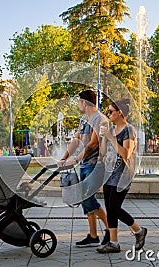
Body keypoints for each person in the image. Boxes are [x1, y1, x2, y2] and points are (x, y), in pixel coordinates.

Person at [57, 90, 109, 247]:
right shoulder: (83, 120)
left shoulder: (100, 119)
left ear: (85, 103)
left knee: (87, 198)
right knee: (87, 198)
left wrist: (77, 158)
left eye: (79, 101)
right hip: (85, 164)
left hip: (96, 164)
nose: (78, 104)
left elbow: (94, 143)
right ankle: (93, 235)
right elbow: (76, 140)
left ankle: (109, 230)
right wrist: (64, 157)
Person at [96, 98, 147, 253]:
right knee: (110, 209)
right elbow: (103, 152)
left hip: (123, 175)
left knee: (114, 208)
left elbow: (126, 153)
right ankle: (114, 242)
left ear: (119, 113)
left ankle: (139, 231)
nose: (108, 114)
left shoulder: (129, 130)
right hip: (109, 174)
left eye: (111, 111)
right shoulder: (111, 130)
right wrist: (104, 136)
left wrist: (111, 138)